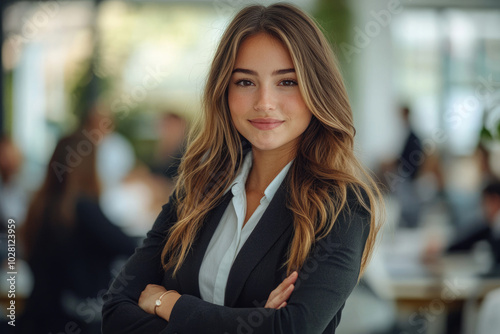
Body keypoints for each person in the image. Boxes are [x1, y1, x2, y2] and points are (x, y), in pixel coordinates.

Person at [102, 3, 383, 334]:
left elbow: (293, 328)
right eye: (245, 82)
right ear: (225, 90)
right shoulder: (197, 187)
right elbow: (116, 313)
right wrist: (254, 323)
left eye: (287, 82)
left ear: (316, 89)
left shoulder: (342, 206)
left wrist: (169, 303)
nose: (264, 102)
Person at [19, 132, 137, 334]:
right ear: (89, 168)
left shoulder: (38, 206)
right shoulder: (82, 209)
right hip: (75, 320)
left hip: (38, 317)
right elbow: (130, 247)